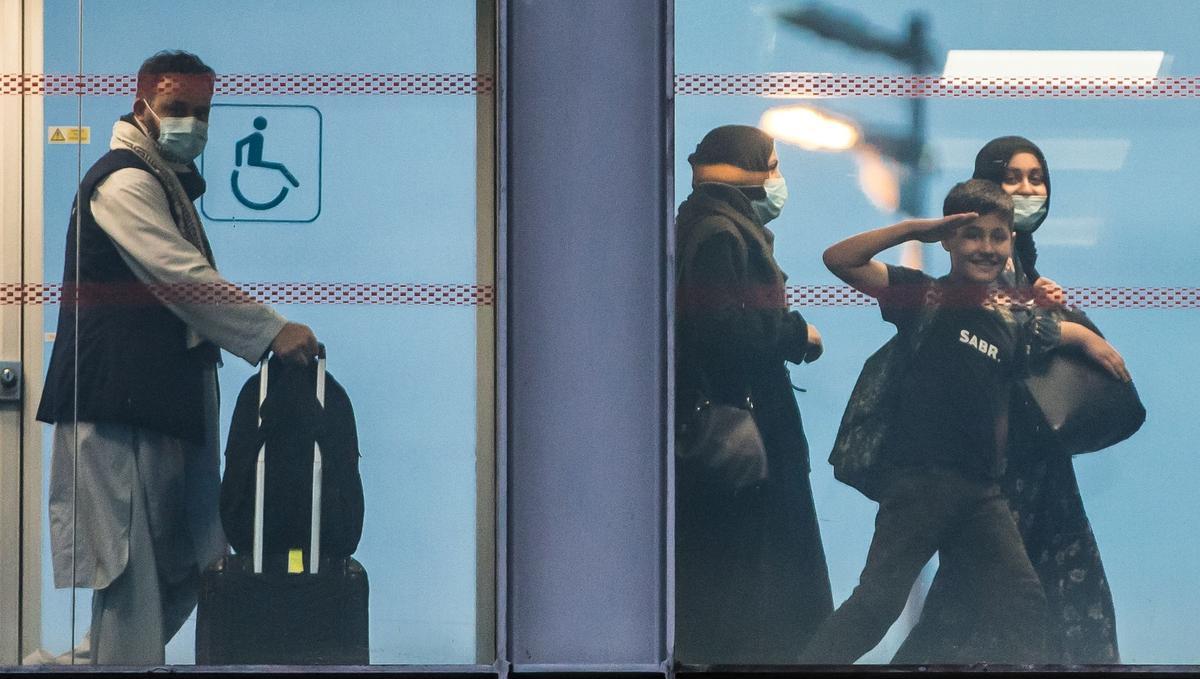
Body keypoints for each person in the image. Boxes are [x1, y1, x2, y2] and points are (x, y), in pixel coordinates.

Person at [32, 50, 318, 665]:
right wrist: (271, 331)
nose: (193, 123)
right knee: (132, 581)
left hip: (159, 411)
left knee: (184, 566)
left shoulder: (161, 180)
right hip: (119, 418)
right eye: (177, 109)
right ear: (143, 109)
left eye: (203, 112)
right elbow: (178, 276)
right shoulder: (123, 180)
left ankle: (86, 664)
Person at [797, 179, 1131, 664]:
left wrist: (1083, 335)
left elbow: (1050, 340)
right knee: (876, 606)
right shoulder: (924, 296)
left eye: (998, 236)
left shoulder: (1009, 323)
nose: (986, 247)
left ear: (1011, 243)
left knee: (1023, 602)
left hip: (980, 494)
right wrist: (919, 229)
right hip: (920, 485)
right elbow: (839, 259)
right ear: (950, 241)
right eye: (973, 235)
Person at [893, 136, 1121, 663]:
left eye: (1036, 178)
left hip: (1035, 459)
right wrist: (1074, 333)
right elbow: (994, 321)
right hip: (998, 459)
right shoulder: (985, 262)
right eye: (1012, 177)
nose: (1025, 189)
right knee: (990, 596)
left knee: (1042, 592)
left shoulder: (1026, 268)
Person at [674, 125, 832, 663]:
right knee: (761, 590)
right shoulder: (720, 232)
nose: (778, 179)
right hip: (746, 427)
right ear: (748, 171)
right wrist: (795, 334)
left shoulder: (707, 224)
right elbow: (719, 332)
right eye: (772, 165)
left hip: (747, 424)